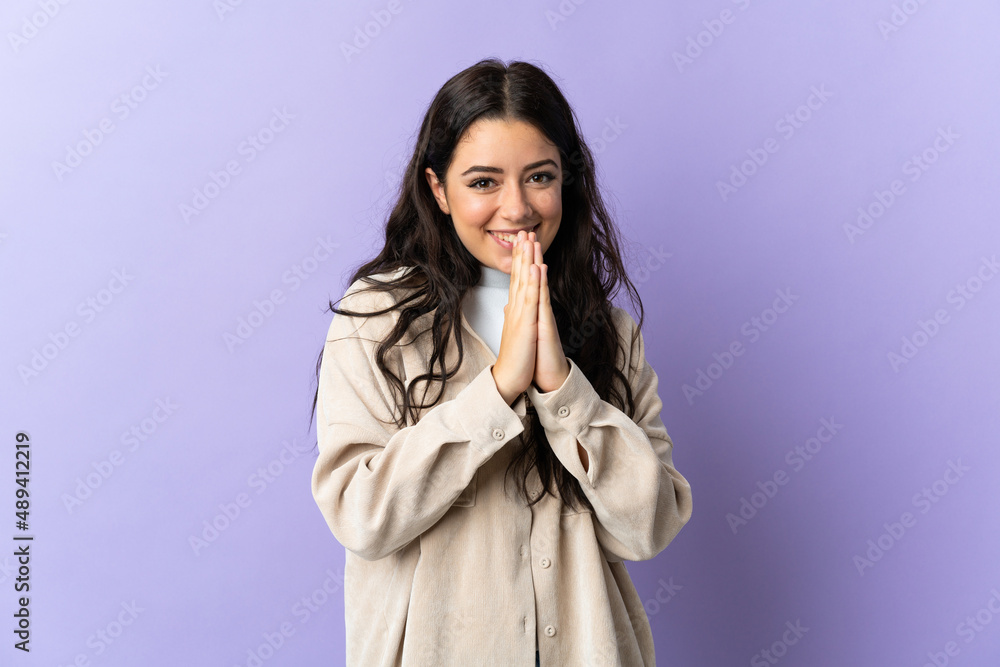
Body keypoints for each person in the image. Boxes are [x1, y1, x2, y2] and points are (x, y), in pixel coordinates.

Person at [309, 57, 693, 666]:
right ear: (439, 189)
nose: (516, 208)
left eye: (539, 177)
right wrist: (498, 387)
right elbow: (363, 518)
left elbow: (649, 528)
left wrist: (562, 390)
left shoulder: (610, 332)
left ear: (567, 180)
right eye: (483, 182)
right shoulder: (377, 319)